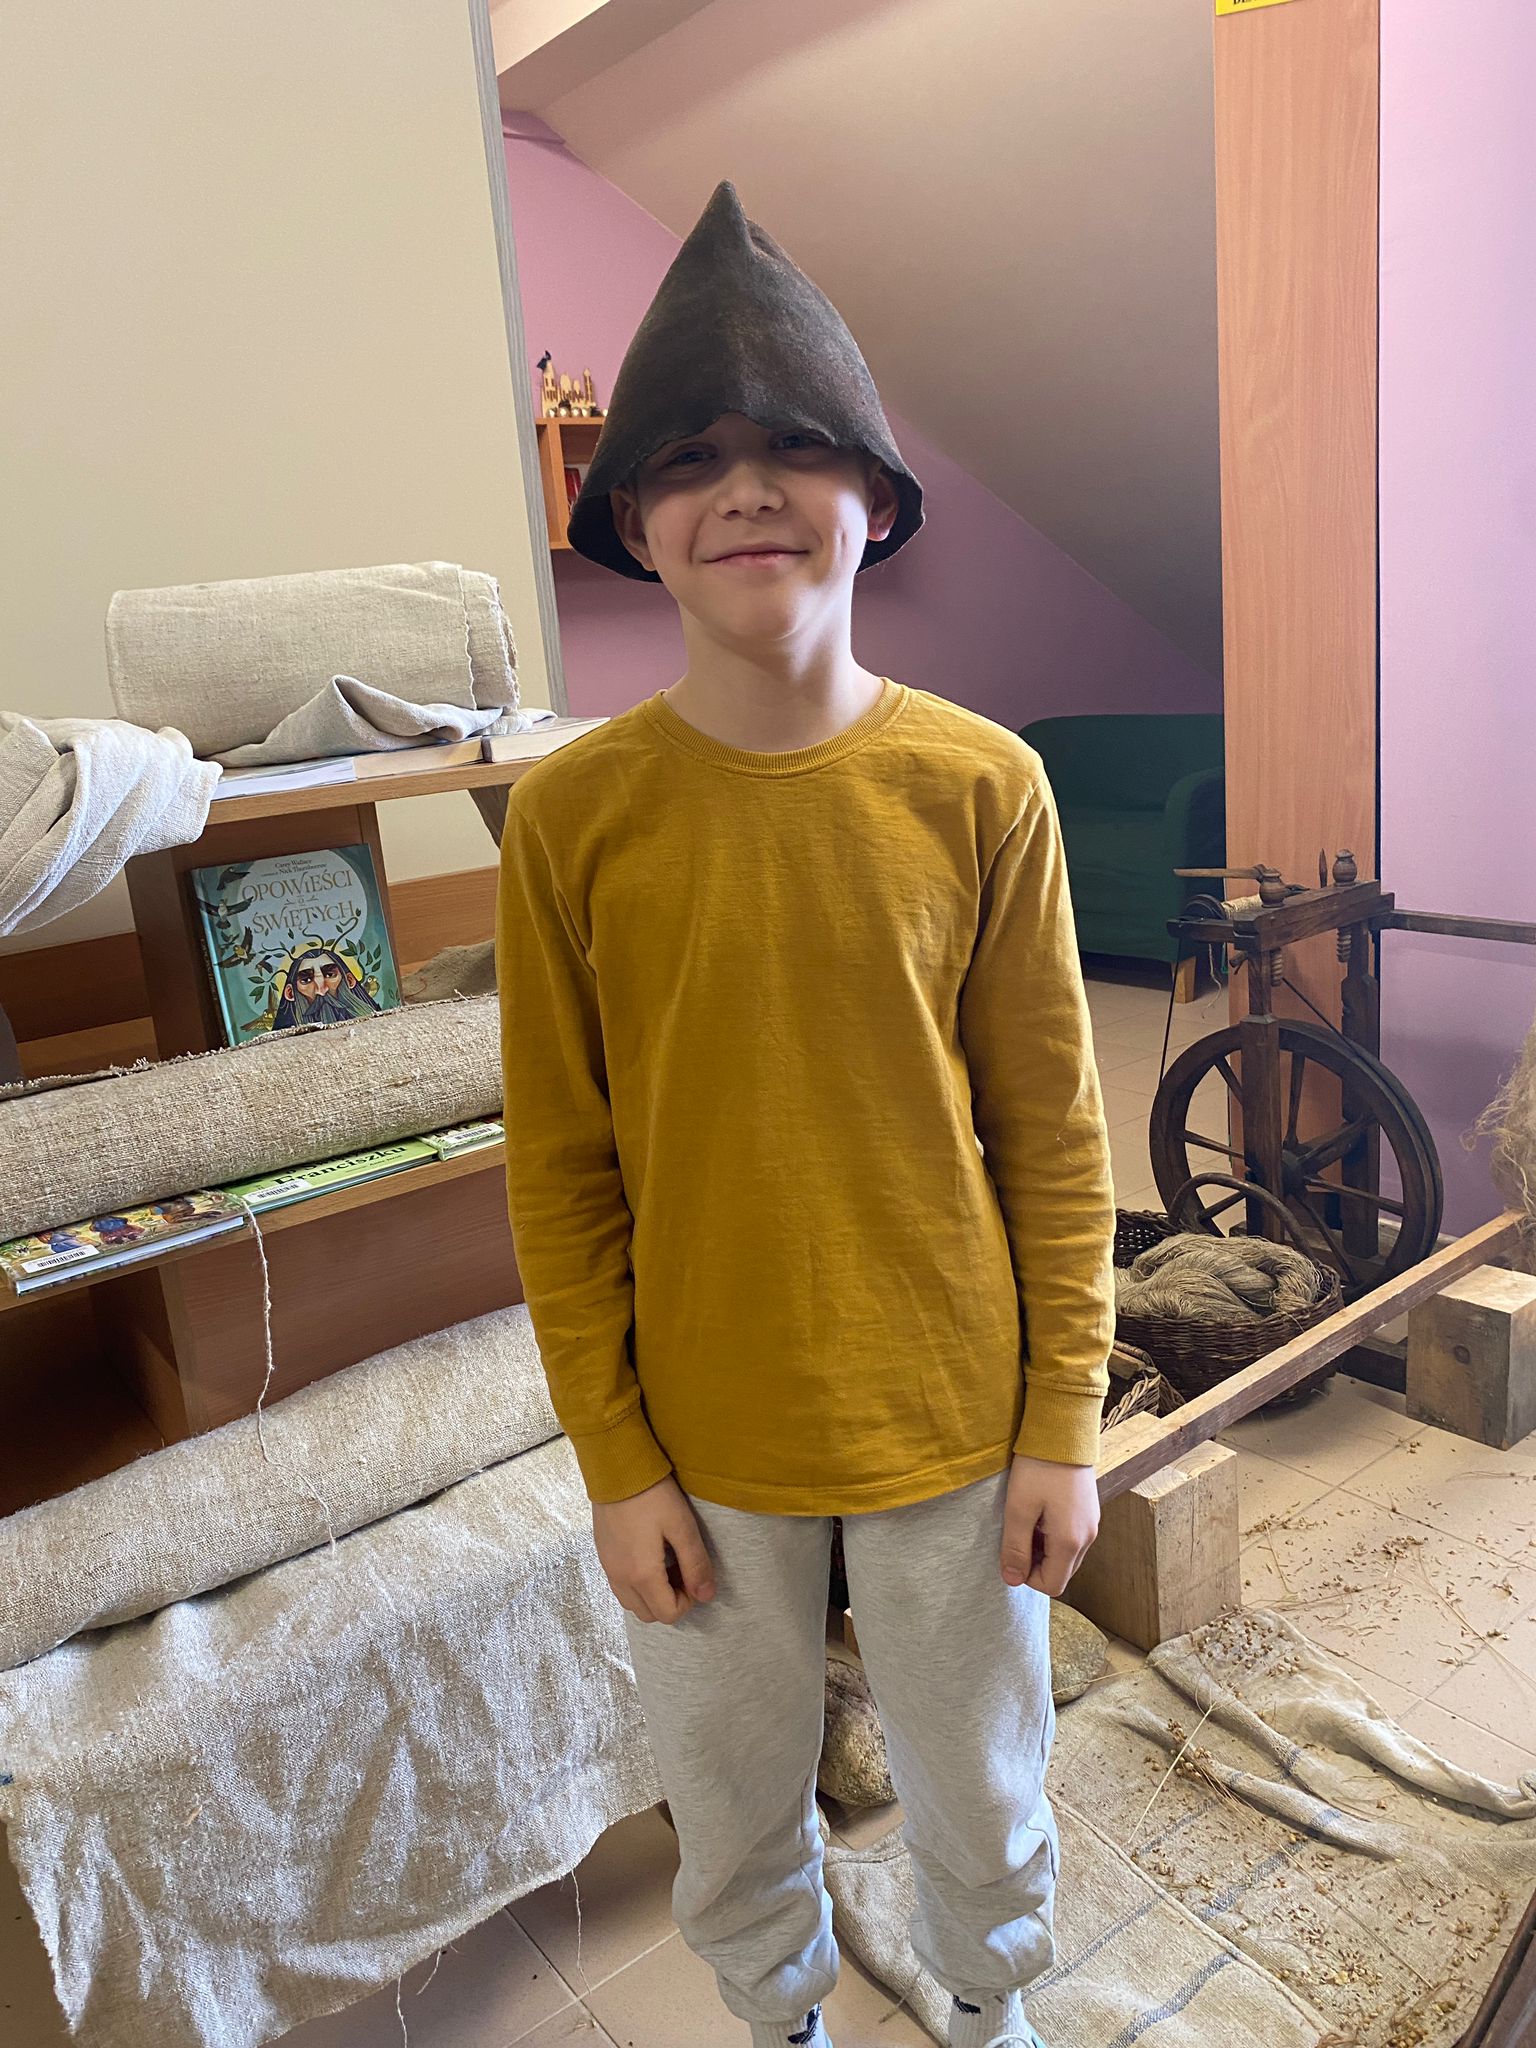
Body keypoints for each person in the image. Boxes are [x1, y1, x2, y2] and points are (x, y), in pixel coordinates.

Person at [495, 181, 1115, 2048]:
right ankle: (781, 2020)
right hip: (700, 1439)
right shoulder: (573, 820)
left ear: (879, 500)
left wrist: (1064, 1423)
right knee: (731, 1790)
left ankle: (990, 2013)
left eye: (791, 447)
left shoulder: (982, 786)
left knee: (981, 1777)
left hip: (952, 1410)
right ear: (632, 524)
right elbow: (561, 1168)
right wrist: (615, 1462)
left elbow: (1056, 1133)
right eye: (688, 458)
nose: (743, 489)